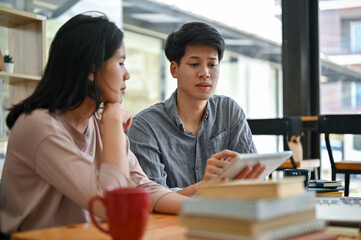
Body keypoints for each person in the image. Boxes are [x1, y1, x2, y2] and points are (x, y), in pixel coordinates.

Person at [0, 13, 187, 235]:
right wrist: (114, 119)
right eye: (120, 62)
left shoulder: (99, 123)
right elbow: (110, 206)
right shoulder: (40, 126)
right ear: (91, 69)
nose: (126, 75)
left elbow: (142, 186)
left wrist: (205, 209)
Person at [127, 22, 263, 196]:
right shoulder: (145, 127)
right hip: (173, 221)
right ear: (174, 69)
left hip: (228, 217)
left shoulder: (229, 111)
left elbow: (253, 176)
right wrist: (207, 187)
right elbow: (152, 197)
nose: (205, 73)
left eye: (212, 65)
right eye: (194, 64)